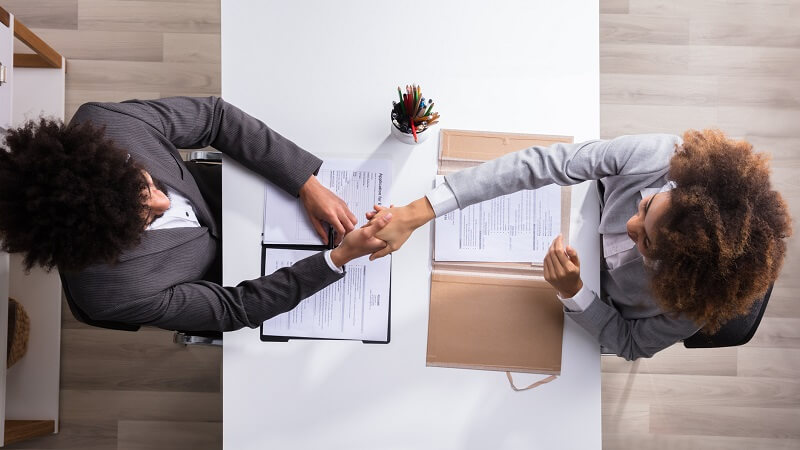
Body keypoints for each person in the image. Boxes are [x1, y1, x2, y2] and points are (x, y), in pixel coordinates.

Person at [365, 130, 791, 360]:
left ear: (679, 272)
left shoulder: (694, 306)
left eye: (645, 241)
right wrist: (421, 210)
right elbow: (547, 163)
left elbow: (630, 344)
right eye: (647, 204)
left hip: (577, 313)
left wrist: (575, 293)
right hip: (563, 216)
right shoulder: (658, 156)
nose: (629, 222)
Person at [0, 96, 391, 332]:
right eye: (145, 218)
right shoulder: (113, 294)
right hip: (229, 277)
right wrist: (337, 260)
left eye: (147, 184)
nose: (164, 202)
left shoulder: (108, 124)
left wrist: (305, 182)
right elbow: (232, 309)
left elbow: (215, 118)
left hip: (237, 194)